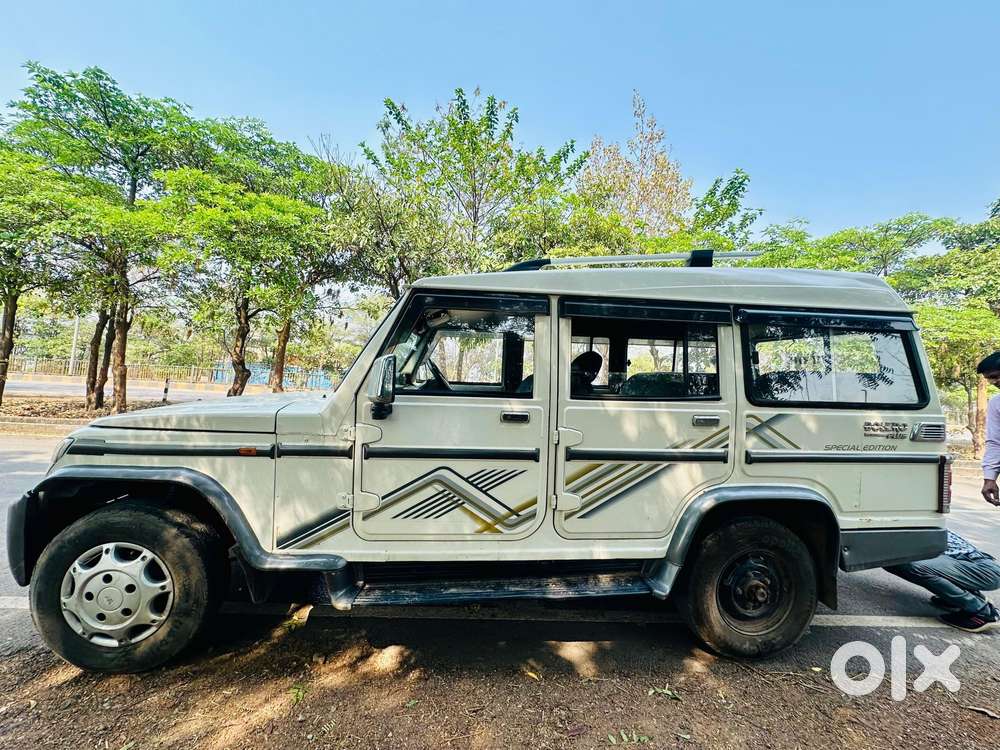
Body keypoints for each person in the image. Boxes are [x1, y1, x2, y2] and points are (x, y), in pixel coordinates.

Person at [882, 351, 1000, 632]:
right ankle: (964, 597)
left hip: (987, 571)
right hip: (981, 569)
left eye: (996, 378)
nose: (995, 384)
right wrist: (989, 478)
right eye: (991, 380)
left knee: (904, 562)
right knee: (898, 558)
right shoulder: (997, 404)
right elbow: (995, 442)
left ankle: (979, 611)